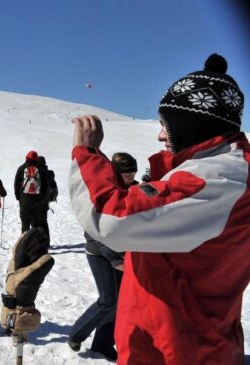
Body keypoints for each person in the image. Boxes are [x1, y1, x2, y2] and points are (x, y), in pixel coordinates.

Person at [68, 54, 249, 364]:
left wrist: (87, 153)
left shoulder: (216, 179)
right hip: (183, 342)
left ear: (194, 125)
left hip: (180, 351)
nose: (160, 135)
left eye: (167, 124)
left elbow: (112, 218)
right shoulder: (222, 173)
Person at [67, 153, 138, 361]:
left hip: (121, 255)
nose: (131, 177)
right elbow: (93, 232)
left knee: (118, 302)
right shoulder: (103, 192)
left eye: (133, 172)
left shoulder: (132, 188)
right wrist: (115, 258)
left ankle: (103, 344)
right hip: (99, 253)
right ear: (116, 173)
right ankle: (76, 334)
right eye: (127, 174)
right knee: (107, 300)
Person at [14, 151, 48, 234]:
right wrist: (42, 198)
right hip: (38, 201)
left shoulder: (21, 168)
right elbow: (45, 185)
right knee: (37, 224)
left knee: (25, 225)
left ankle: (25, 244)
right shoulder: (40, 168)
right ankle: (37, 244)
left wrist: (18, 197)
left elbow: (16, 184)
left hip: (25, 200)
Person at [36, 156, 57, 239]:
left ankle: (39, 240)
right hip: (45, 201)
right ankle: (46, 241)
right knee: (44, 222)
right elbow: (53, 186)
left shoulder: (36, 173)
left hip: (36, 201)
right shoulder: (50, 173)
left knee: (36, 223)